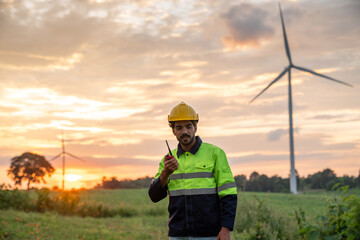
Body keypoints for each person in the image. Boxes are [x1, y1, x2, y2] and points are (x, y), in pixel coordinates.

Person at [148, 102, 237, 240]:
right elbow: (154, 196)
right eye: (179, 127)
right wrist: (165, 172)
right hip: (178, 235)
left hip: (209, 234)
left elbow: (229, 194)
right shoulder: (167, 161)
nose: (184, 131)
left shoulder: (215, 154)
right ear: (173, 131)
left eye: (188, 126)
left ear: (195, 127)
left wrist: (226, 228)